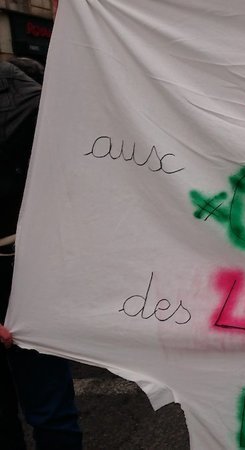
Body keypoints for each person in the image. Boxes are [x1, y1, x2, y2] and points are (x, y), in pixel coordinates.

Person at [0, 59, 83, 450]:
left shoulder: (34, 103)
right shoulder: (40, 102)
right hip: (33, 265)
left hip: (30, 263)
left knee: (39, 407)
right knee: (51, 408)